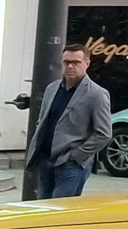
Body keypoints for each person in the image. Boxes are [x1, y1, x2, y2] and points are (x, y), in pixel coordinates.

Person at [23, 44, 112, 200]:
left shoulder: (97, 94)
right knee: (42, 209)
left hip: (71, 164)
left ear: (87, 63)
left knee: (60, 210)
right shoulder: (52, 88)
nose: (70, 66)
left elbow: (104, 133)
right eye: (66, 62)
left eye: (76, 62)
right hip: (45, 159)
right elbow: (42, 122)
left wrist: (77, 155)